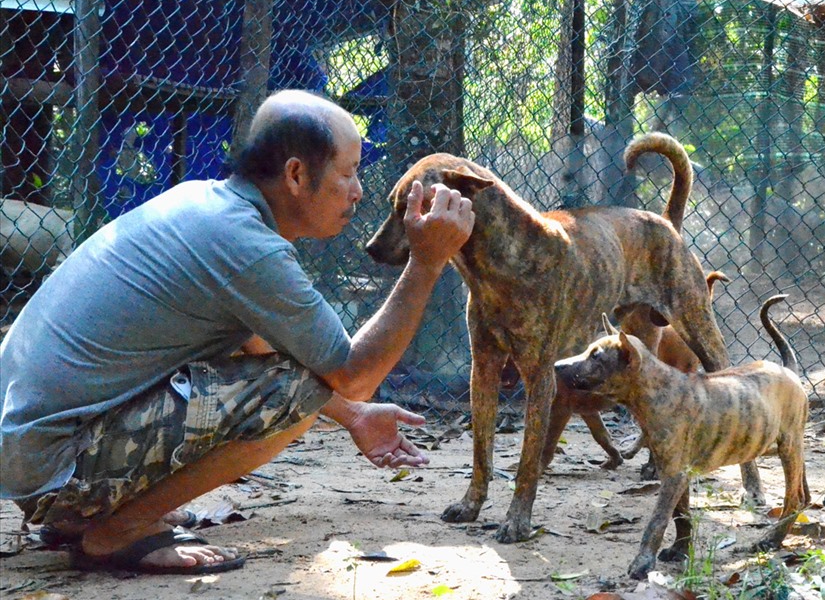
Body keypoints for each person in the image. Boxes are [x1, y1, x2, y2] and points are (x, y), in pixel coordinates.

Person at [0, 89, 475, 574]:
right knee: (300, 389)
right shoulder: (247, 246)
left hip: (32, 458)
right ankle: (118, 529)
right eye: (349, 172)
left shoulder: (205, 203)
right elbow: (348, 375)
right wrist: (428, 261)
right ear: (295, 174)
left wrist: (352, 416)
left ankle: (91, 514)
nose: (358, 191)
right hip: (56, 468)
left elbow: (262, 347)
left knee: (294, 376)